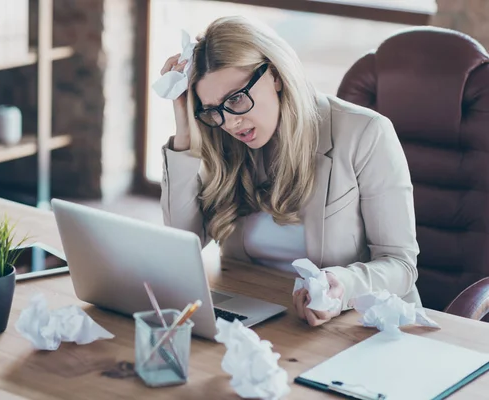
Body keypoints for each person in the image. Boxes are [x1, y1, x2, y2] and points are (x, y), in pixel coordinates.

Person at [156, 16, 420, 327]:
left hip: (356, 322)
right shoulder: (223, 138)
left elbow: (401, 264)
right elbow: (184, 241)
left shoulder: (366, 132)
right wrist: (185, 125)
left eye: (236, 99)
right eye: (213, 109)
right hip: (258, 310)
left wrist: (344, 283)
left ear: (276, 75)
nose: (229, 122)